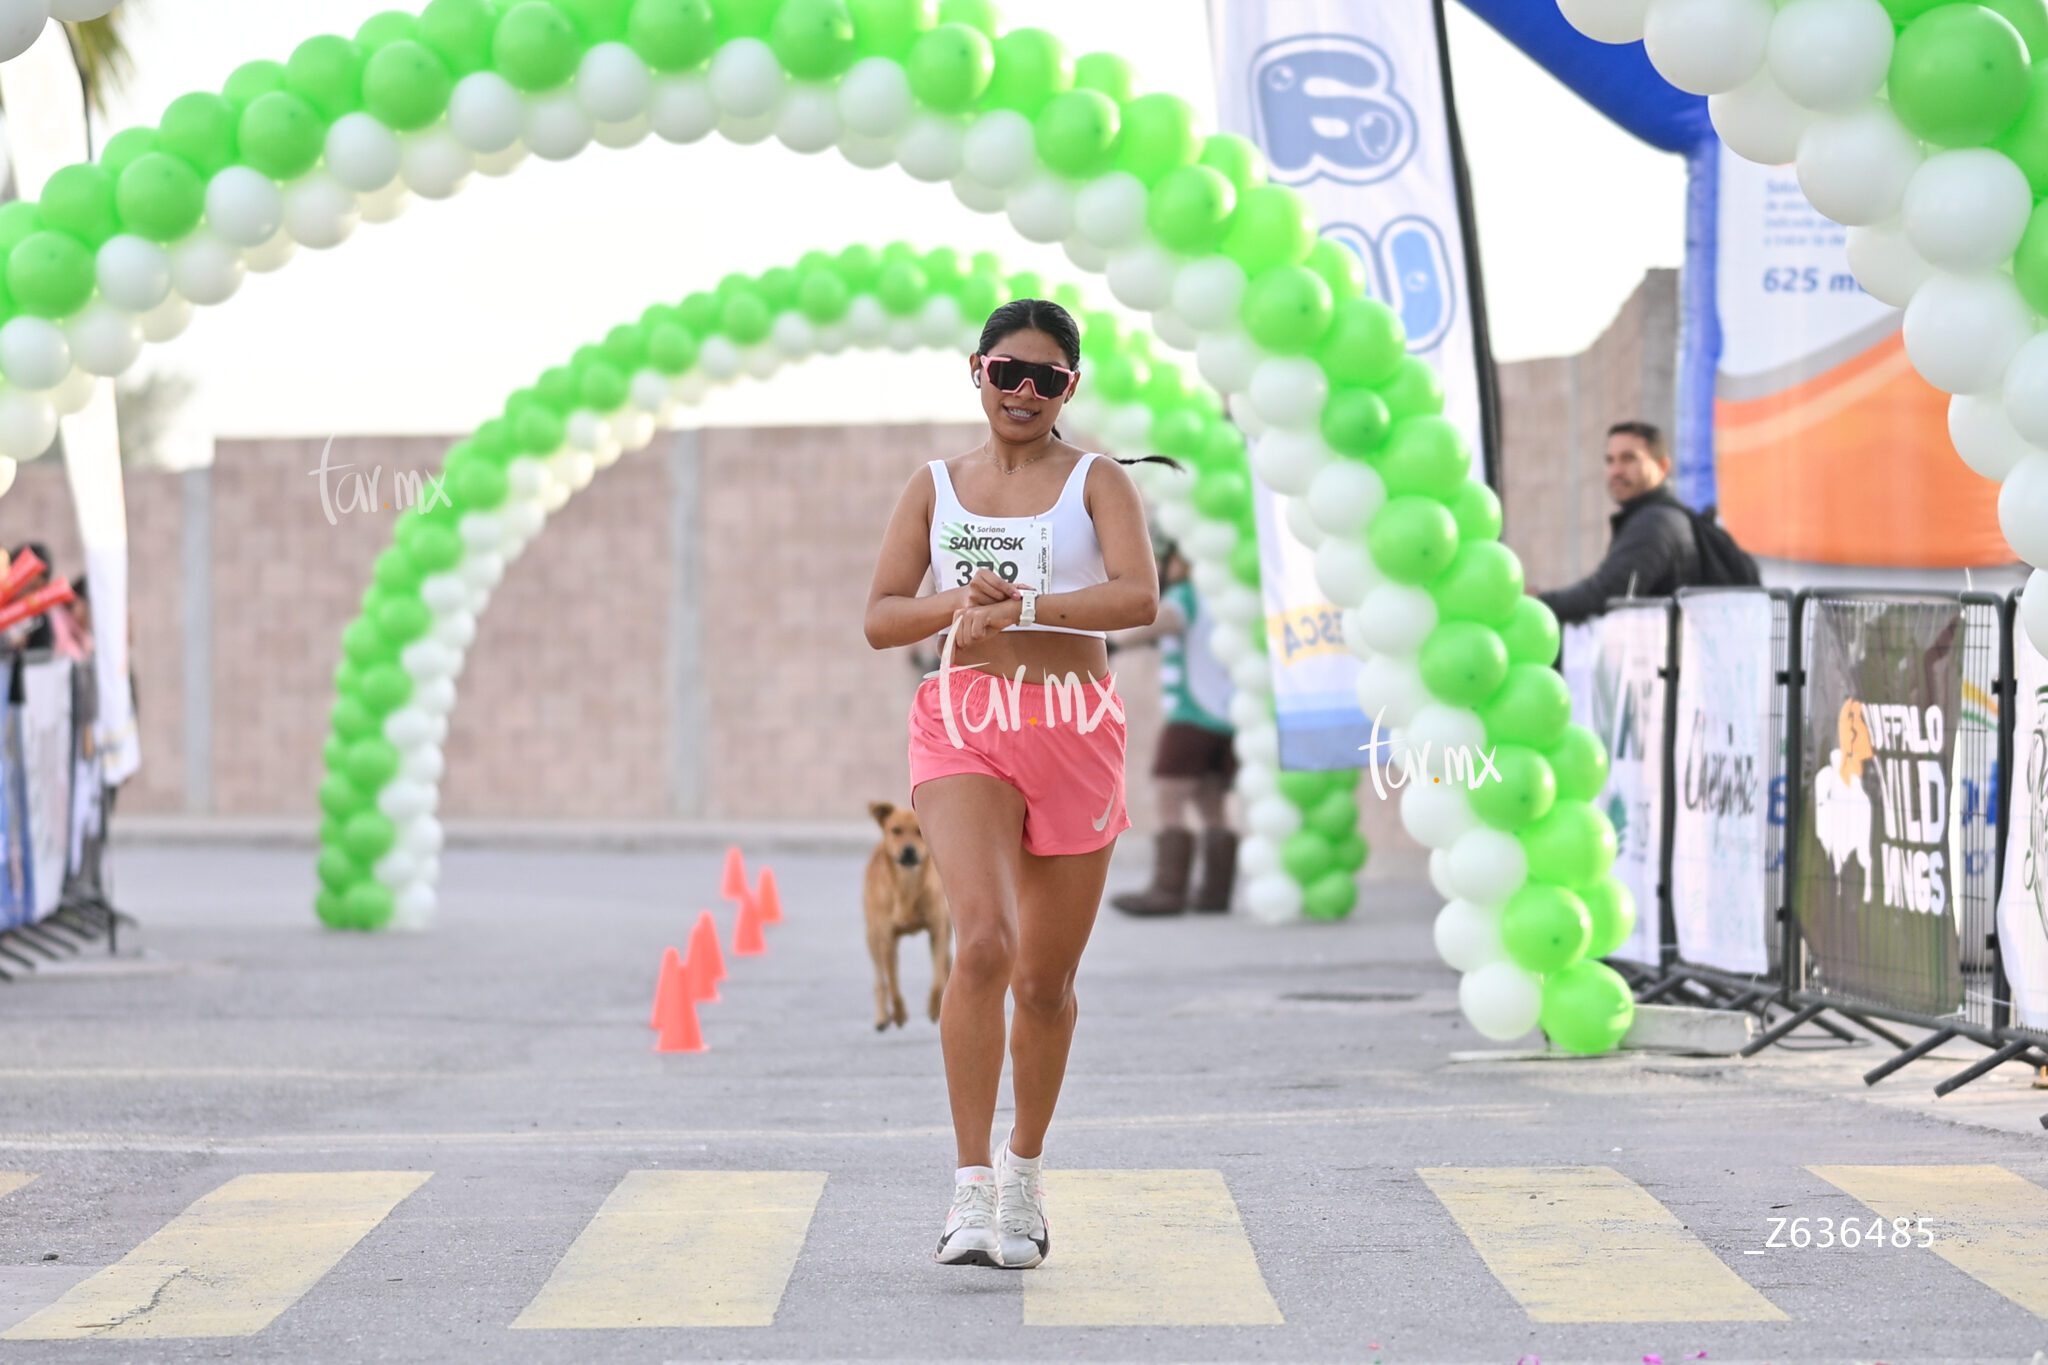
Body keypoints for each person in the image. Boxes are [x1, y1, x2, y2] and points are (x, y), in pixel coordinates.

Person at [865, 298, 1167, 1272]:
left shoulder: (1097, 480)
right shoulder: (933, 487)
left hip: (1073, 729)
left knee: (1042, 982)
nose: (1024, 392)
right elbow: (881, 616)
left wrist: (1026, 605)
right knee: (984, 943)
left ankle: (1022, 1174)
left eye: (1046, 379)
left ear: (1068, 388)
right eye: (1008, 373)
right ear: (977, 371)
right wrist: (957, 603)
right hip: (965, 724)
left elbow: (1138, 597)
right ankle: (968, 1187)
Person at [1106, 541, 1239, 916]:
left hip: (1190, 715)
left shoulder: (1186, 595)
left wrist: (1114, 641)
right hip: (1225, 718)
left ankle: (1168, 891)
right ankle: (1215, 893)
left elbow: (1164, 621)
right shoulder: (1223, 598)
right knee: (1211, 802)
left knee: (1168, 795)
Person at [1537, 421, 1702, 626]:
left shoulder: (1656, 523)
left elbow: (1607, 594)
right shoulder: (1655, 516)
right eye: (1610, 460)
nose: (1616, 470)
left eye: (1628, 458)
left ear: (1663, 466)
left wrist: (1538, 602)